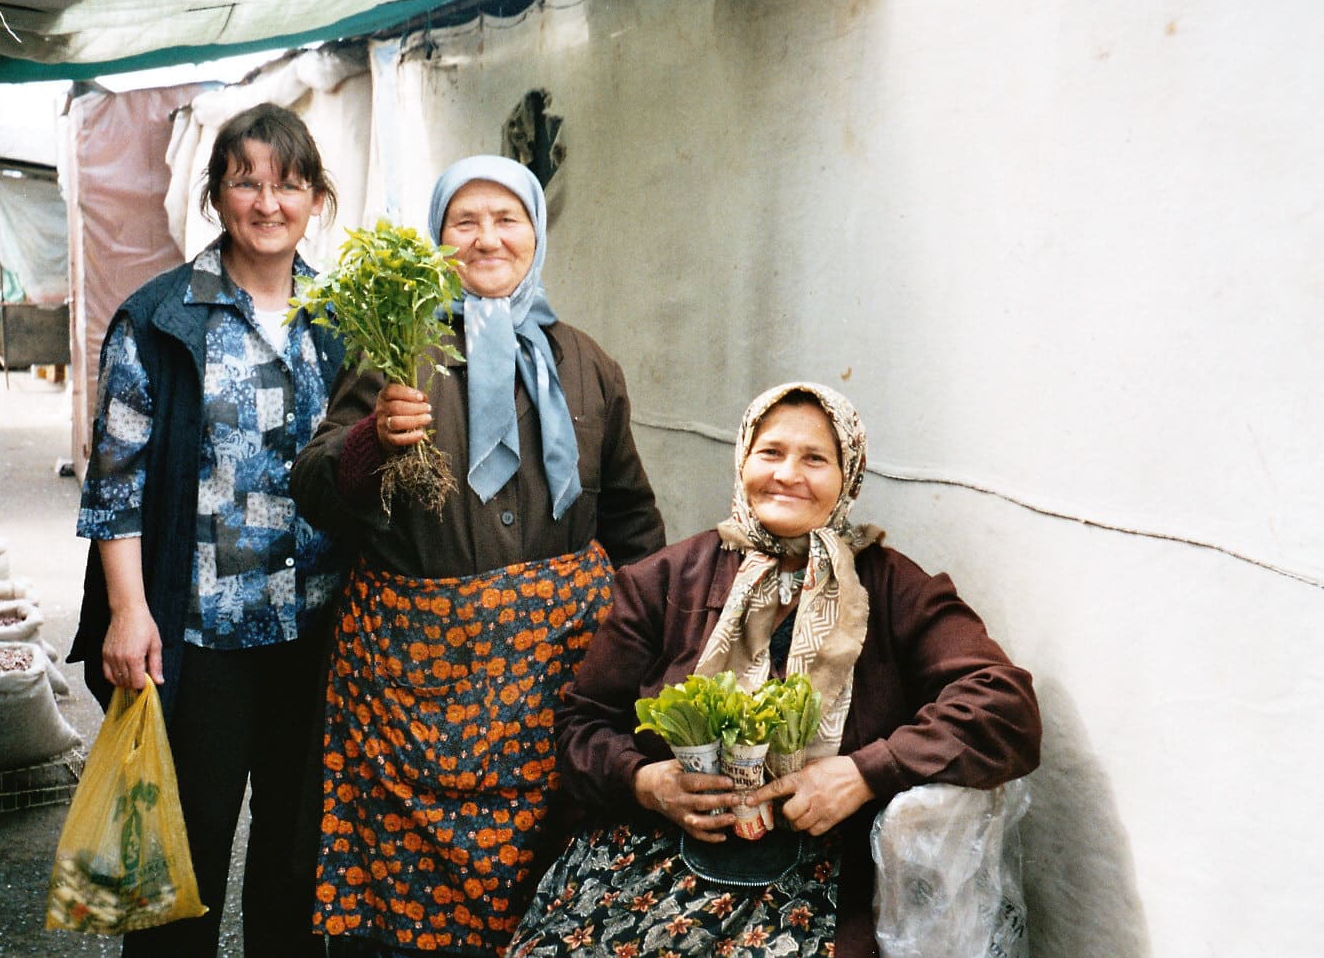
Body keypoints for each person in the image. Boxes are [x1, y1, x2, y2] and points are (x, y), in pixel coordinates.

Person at [505, 381, 1042, 958]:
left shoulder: (890, 588)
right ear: (743, 460)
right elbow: (583, 724)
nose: (788, 473)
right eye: (771, 452)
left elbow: (1003, 705)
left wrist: (863, 773)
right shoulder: (666, 580)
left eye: (815, 458)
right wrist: (647, 781)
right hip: (654, 849)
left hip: (817, 872)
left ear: (848, 476)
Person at [290, 155, 667, 958]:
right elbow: (316, 488)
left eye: (508, 220)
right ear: (438, 241)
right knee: (406, 890)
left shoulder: (588, 365)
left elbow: (631, 517)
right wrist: (369, 439)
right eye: (465, 222)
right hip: (413, 681)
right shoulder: (396, 353)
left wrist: (653, 649)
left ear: (535, 233)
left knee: (538, 871)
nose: (487, 238)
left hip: (549, 674)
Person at [69, 102, 349, 957]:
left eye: (290, 183)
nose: (269, 202)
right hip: (203, 636)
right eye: (247, 181)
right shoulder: (161, 320)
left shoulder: (341, 321)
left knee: (294, 863)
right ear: (217, 195)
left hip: (314, 629)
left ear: (315, 199)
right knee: (179, 865)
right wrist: (128, 611)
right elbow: (115, 485)